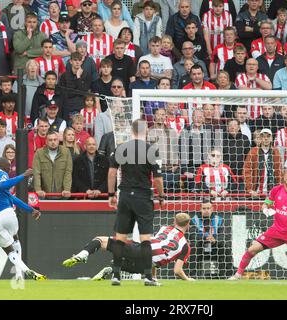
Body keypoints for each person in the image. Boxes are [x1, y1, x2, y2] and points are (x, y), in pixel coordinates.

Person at [107, 119, 165, 286]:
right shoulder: (151, 150)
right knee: (146, 238)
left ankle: (116, 275)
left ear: (131, 131)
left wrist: (111, 194)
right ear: (145, 130)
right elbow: (158, 179)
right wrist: (161, 197)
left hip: (125, 195)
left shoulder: (121, 148)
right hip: (143, 196)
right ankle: (148, 277)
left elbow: (112, 173)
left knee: (120, 237)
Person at [62, 212, 194, 281]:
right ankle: (112, 269)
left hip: (139, 250)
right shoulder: (185, 246)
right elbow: (177, 271)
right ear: (188, 225)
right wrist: (188, 279)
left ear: (174, 221)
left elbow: (154, 246)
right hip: (144, 266)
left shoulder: (165, 228)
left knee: (101, 240)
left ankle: (83, 255)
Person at [0, 157, 45, 281]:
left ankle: (23, 271)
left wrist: (30, 209)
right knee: (15, 238)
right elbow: (4, 184)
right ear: (4, 167)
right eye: (9, 166)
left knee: (8, 250)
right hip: (7, 213)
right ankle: (19, 273)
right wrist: (24, 175)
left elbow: (11, 197)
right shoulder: (1, 174)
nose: (10, 168)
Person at [188, 198, 233, 279]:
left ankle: (228, 274)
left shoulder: (219, 219)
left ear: (212, 209)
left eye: (208, 208)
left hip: (215, 246)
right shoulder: (194, 220)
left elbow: (224, 235)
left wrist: (215, 240)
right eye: (204, 208)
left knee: (226, 245)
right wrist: (205, 238)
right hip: (200, 246)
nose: (206, 210)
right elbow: (192, 236)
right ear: (200, 209)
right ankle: (193, 275)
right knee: (193, 246)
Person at [32, 131, 72, 199]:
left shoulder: (66, 152)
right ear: (46, 141)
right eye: (50, 140)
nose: (53, 142)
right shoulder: (39, 153)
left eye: (55, 140)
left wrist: (67, 189)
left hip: (62, 194)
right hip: (43, 195)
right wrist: (38, 190)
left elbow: (68, 172)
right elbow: (36, 173)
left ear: (58, 141)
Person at [243, 128, 283, 197]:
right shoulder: (253, 152)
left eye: (268, 136)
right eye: (263, 136)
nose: (266, 139)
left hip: (272, 192)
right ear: (260, 138)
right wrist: (250, 189)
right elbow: (246, 170)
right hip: (256, 192)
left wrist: (278, 189)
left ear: (271, 139)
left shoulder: (276, 152)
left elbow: (279, 172)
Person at [59, 52, 94, 122]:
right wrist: (77, 89)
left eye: (79, 60)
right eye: (75, 60)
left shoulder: (86, 75)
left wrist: (78, 77)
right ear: (70, 61)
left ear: (82, 62)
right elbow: (65, 94)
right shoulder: (64, 76)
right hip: (68, 109)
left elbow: (83, 93)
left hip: (81, 109)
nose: (77, 62)